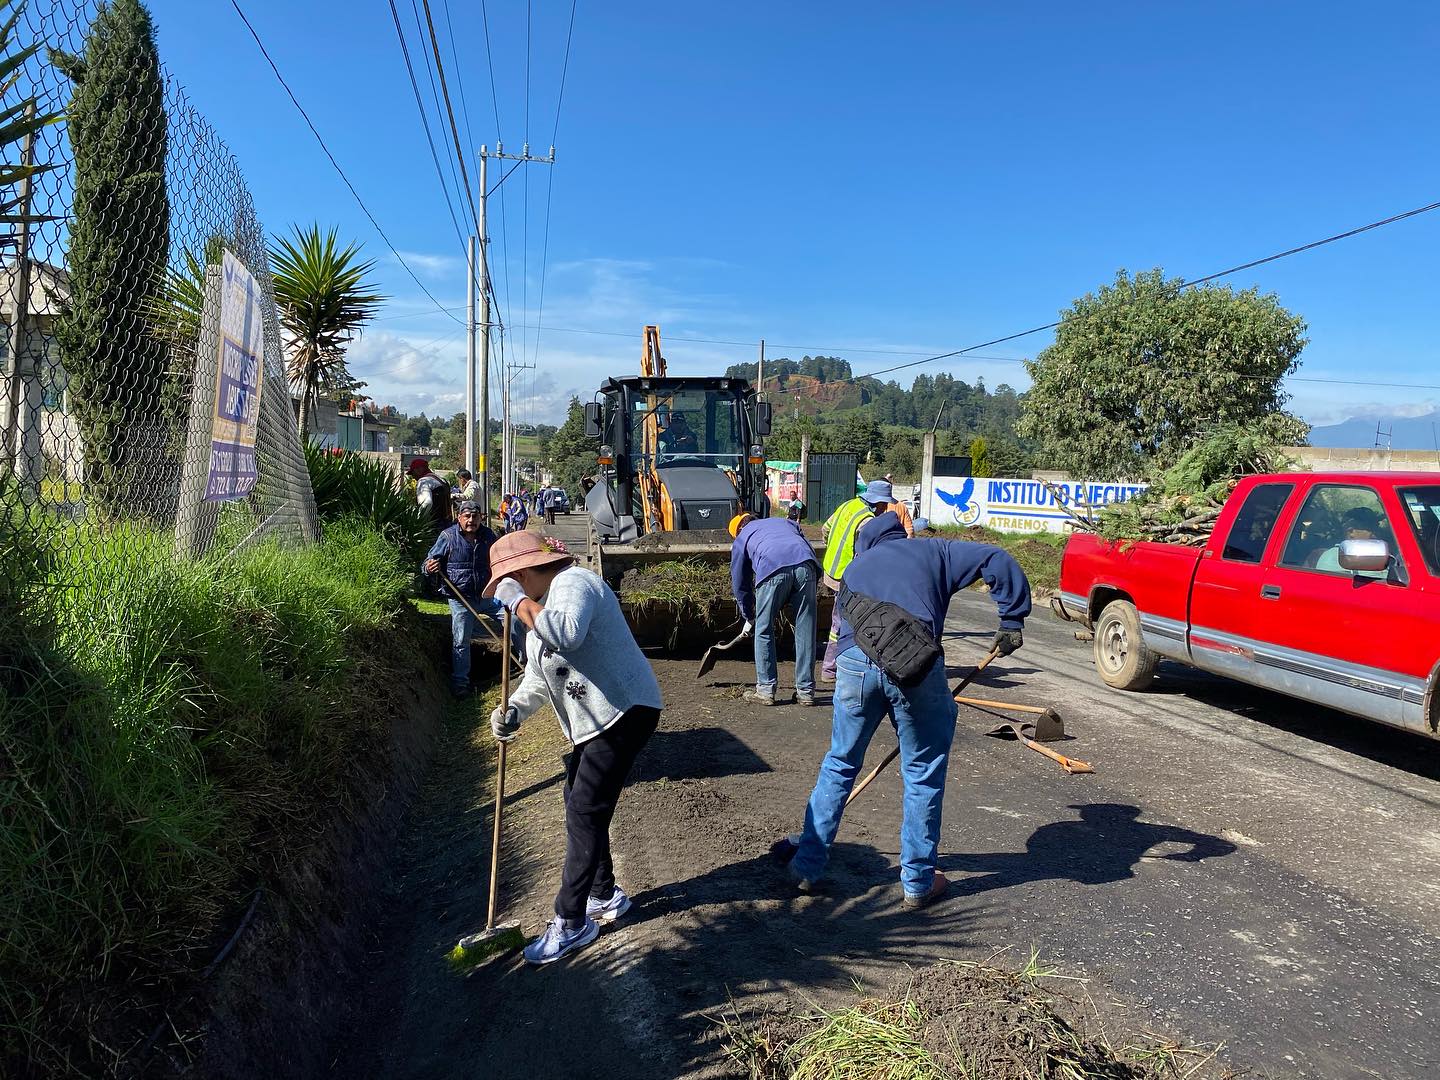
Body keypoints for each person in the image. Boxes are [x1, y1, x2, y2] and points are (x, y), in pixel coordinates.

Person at [779, 511, 1031, 907]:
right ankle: (917, 883)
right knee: (923, 772)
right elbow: (996, 559)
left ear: (866, 545)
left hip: (854, 667)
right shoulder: (936, 551)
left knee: (841, 762)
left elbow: (839, 630)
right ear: (900, 535)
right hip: (914, 665)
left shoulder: (855, 568)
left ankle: (807, 865)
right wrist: (1011, 618)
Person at [485, 531, 664, 965]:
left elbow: (565, 633)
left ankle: (570, 921)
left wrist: (518, 603)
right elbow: (538, 678)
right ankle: (604, 894)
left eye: (508, 582)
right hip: (594, 722)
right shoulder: (539, 610)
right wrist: (512, 711)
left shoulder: (573, 583)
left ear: (522, 572)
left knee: (586, 809)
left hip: (625, 709)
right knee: (577, 802)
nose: (506, 593)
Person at [729, 511, 820, 706]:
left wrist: (749, 615)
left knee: (763, 630)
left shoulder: (742, 537)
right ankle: (806, 692)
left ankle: (765, 690)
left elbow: (739, 582)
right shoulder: (785, 523)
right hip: (807, 566)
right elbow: (804, 547)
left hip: (772, 568)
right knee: (805, 629)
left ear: (739, 529)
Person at [423, 500, 502, 697]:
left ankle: (526, 663)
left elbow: (499, 560)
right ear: (459, 518)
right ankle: (461, 683)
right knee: (461, 640)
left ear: (480, 517)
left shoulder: (488, 536)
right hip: (460, 597)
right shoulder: (447, 537)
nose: (471, 520)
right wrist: (429, 567)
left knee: (515, 618)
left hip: (487, 595)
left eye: (475, 516)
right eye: (467, 516)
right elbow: (427, 562)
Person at [817, 480, 894, 681]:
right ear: (878, 503)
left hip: (831, 570)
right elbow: (867, 554)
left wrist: (832, 547)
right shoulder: (867, 520)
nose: (884, 509)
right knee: (842, 622)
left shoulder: (848, 505)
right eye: (884, 505)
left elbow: (825, 528)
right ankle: (831, 668)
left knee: (840, 620)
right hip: (846, 577)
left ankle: (835, 666)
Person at [1315, 506, 1389, 576]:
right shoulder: (1333, 557)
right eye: (1369, 528)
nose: (1376, 532)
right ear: (1351, 532)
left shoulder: (1380, 552)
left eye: (1377, 526)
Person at [408, 458, 453, 530]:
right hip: (447, 523)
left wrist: (419, 521)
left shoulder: (423, 481)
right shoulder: (442, 479)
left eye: (413, 473)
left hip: (434, 525)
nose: (413, 477)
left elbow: (426, 503)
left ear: (419, 470)